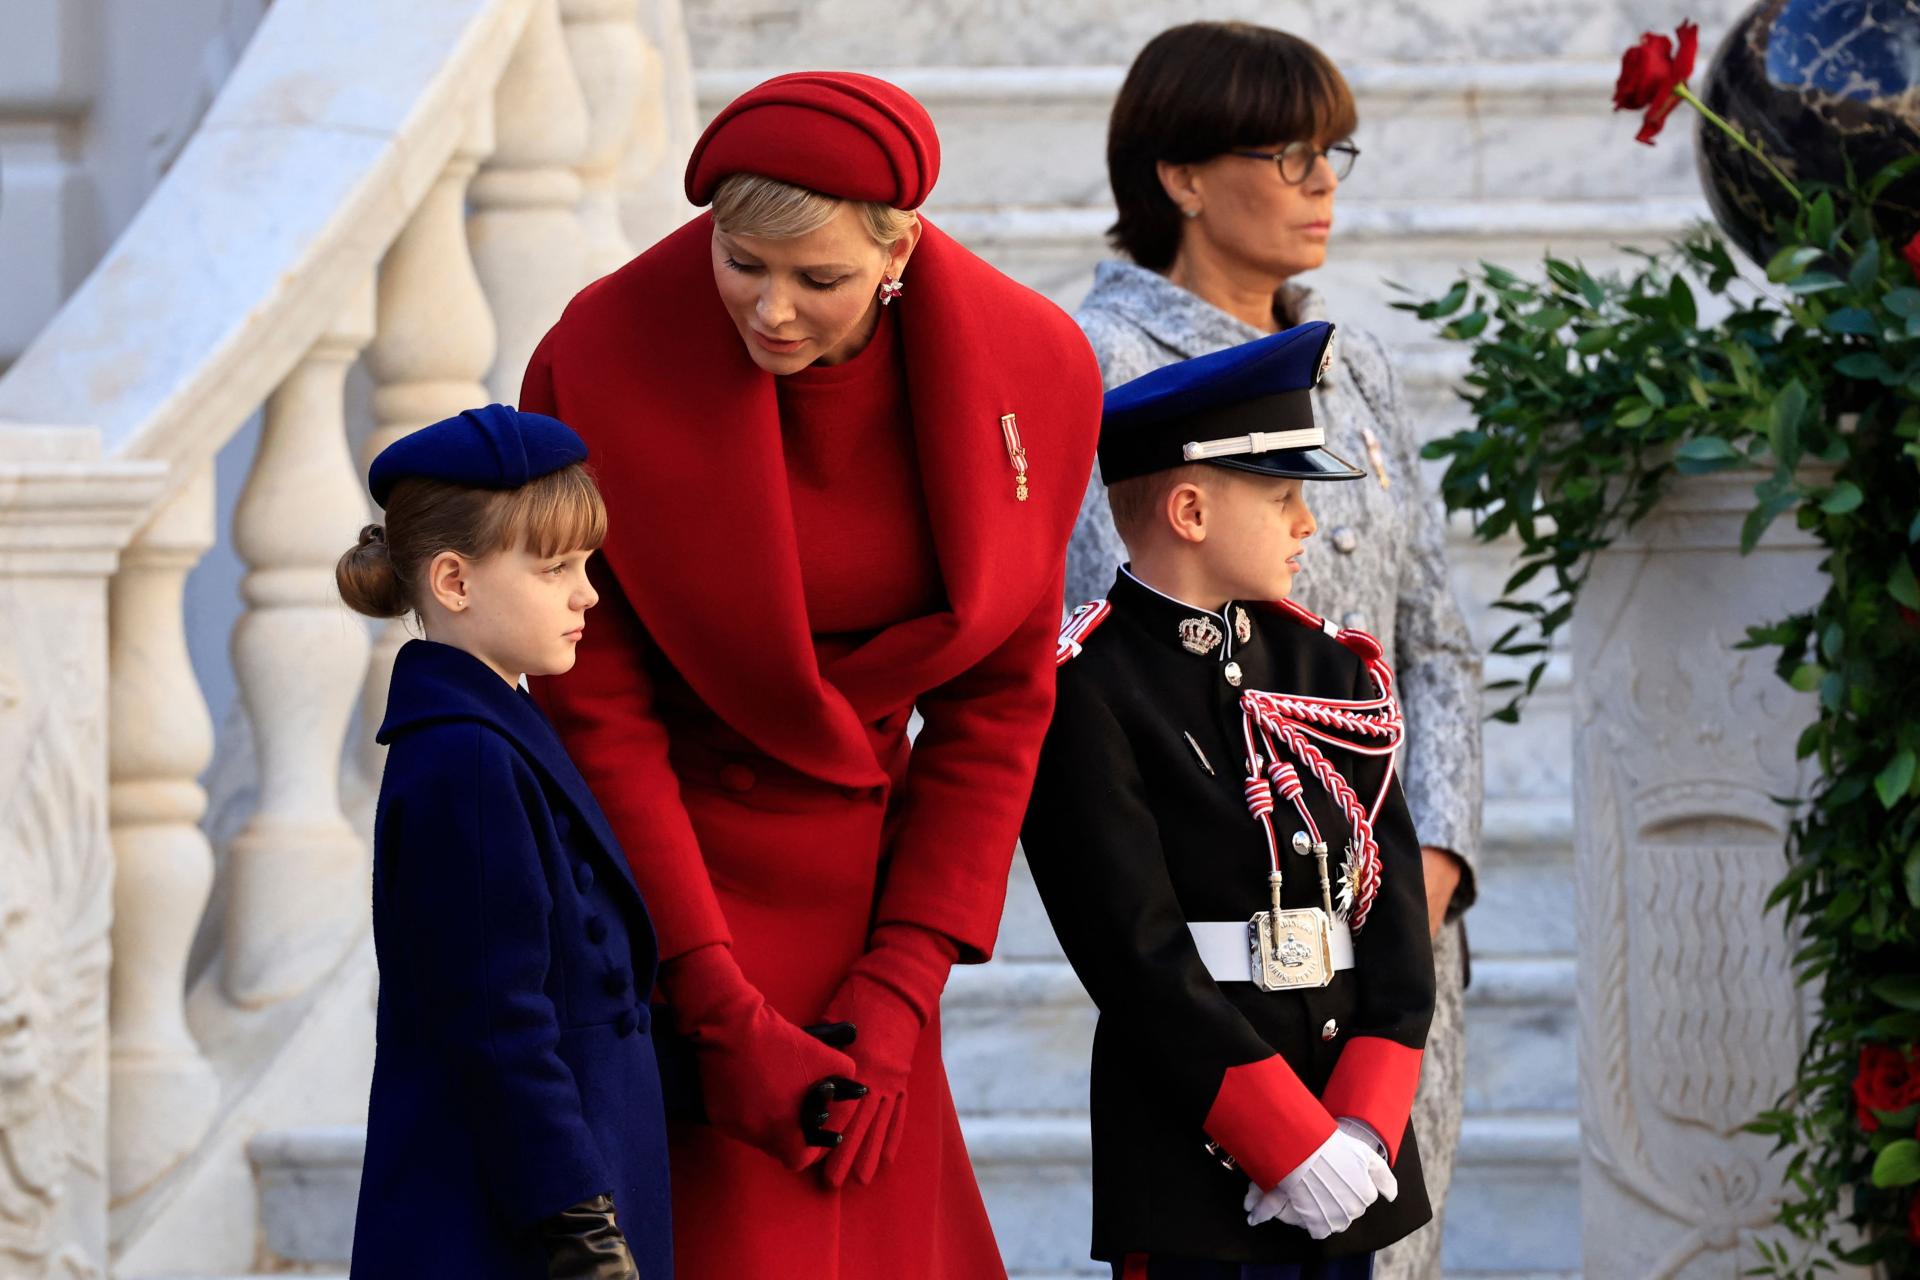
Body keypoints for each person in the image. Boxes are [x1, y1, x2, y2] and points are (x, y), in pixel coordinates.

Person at [519, 72, 1104, 1278]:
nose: (772, 309)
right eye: (743, 263)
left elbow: (999, 707)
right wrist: (714, 1003)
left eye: (819, 279)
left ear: (901, 249)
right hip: (656, 892)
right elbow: (598, 707)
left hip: (866, 907)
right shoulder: (598, 351)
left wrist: (904, 981)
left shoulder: (1033, 362)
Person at [1067, 25, 1481, 1277]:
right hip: (1219, 960)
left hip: (1391, 930)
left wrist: (1427, 869)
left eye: (1332, 149)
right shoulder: (1098, 364)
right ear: (1179, 175)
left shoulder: (1353, 367)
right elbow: (1117, 645)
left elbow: (1435, 635)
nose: (1322, 180)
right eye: (1287, 149)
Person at [1024, 323, 1435, 1278]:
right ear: (1191, 509)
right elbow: (1133, 951)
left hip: (1348, 1147)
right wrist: (1286, 1141)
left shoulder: (1328, 667)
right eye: (1284, 495)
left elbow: (1395, 924)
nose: (1308, 523)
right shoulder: (1087, 687)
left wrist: (1362, 1127)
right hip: (1190, 1151)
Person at [339, 404, 669, 1280]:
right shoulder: (465, 758)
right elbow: (497, 1025)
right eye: (555, 565)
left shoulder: (498, 727)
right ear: (454, 582)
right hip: (506, 1227)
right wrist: (582, 1235)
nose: (586, 592)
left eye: (586, 563)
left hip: (552, 1188)